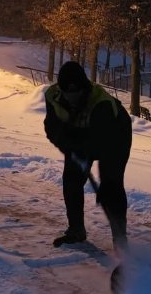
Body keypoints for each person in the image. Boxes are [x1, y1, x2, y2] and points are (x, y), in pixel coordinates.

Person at [44, 60, 132, 251]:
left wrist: (103, 184)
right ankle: (76, 230)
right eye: (69, 94)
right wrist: (68, 147)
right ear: (61, 90)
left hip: (115, 136)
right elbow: (53, 128)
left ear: (85, 88)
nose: (73, 98)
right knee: (71, 180)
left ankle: (120, 239)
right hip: (77, 134)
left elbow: (100, 143)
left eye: (77, 94)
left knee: (112, 186)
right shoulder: (52, 96)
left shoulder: (102, 105)